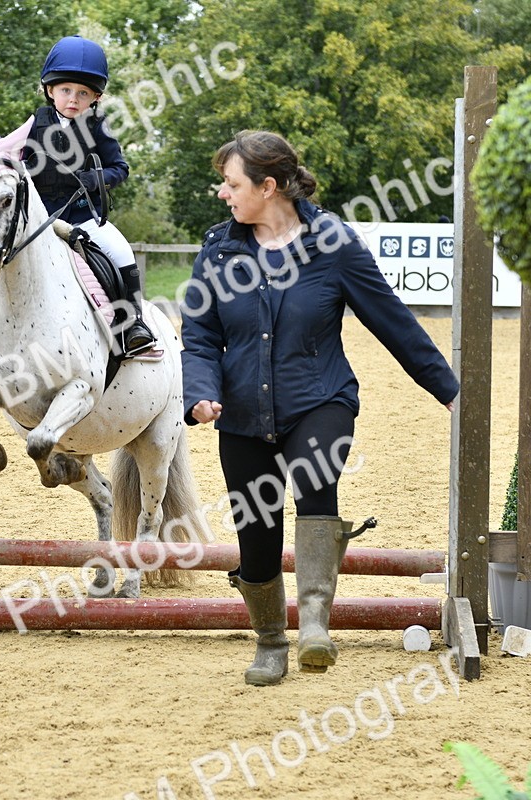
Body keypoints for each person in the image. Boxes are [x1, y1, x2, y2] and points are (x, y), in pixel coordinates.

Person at [180, 131, 459, 686]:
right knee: (256, 531)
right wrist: (201, 393)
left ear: (267, 186)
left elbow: (392, 320)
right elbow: (200, 335)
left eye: (232, 184)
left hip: (320, 399)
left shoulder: (334, 244)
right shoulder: (218, 249)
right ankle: (269, 642)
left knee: (314, 483)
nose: (223, 193)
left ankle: (314, 624)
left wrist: (451, 392)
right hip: (242, 413)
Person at [0, 35, 155, 364]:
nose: (73, 99)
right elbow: (11, 160)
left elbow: (119, 168)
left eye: (83, 93)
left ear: (96, 97)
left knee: (122, 252)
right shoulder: (34, 126)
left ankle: (132, 325)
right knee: (1, 261)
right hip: (40, 222)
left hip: (83, 218)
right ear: (50, 90)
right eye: (66, 90)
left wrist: (94, 180)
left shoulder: (98, 127)